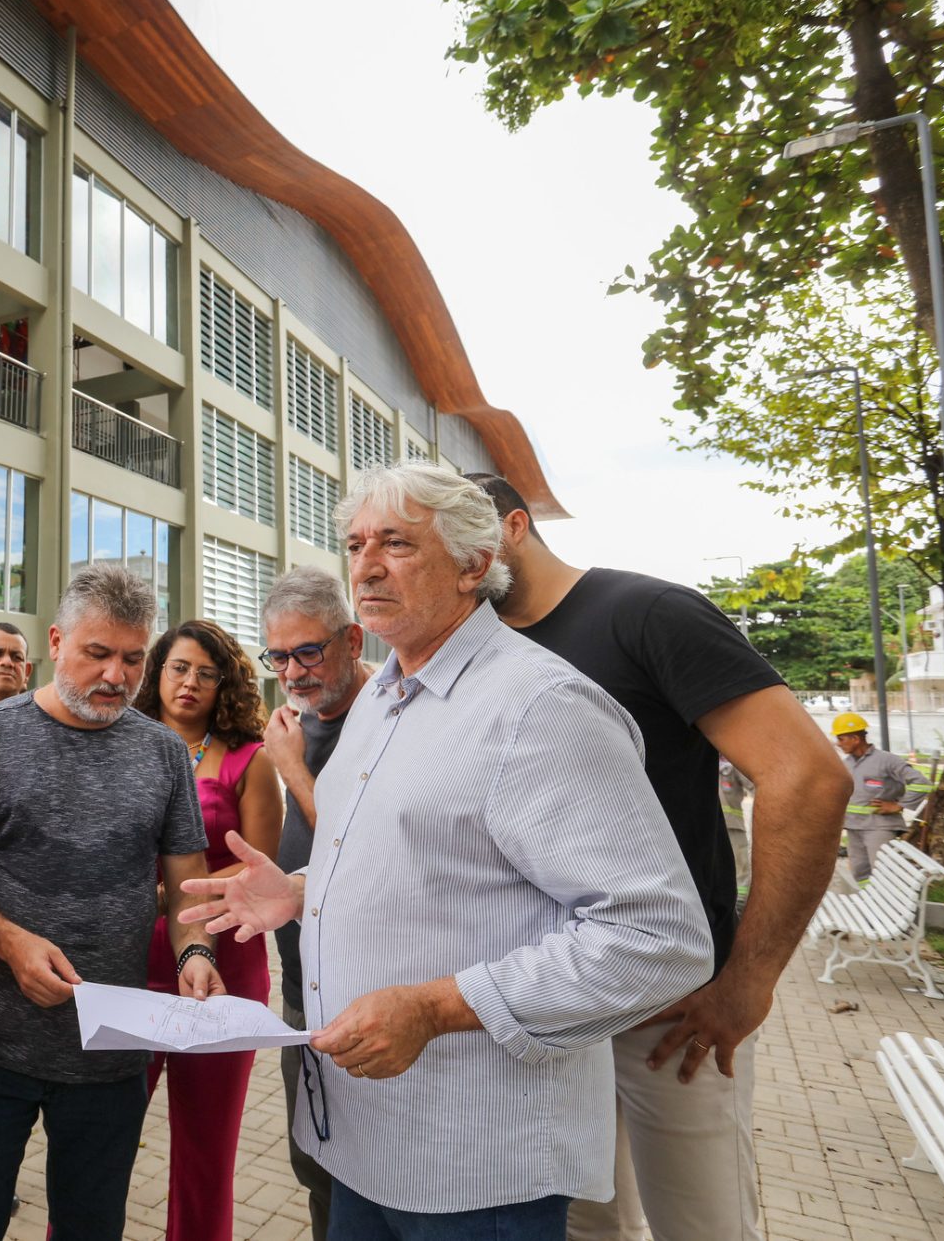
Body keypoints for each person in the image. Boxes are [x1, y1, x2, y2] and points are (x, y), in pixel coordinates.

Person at [184, 462, 713, 1239]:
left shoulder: (539, 706)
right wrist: (302, 888)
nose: (365, 563)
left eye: (396, 541)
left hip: (474, 1169)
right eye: (357, 542)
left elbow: (658, 939)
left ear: (474, 564)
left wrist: (436, 1007)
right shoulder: (384, 697)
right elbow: (420, 853)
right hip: (361, 1142)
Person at [469, 471, 850, 1241]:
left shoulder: (645, 612)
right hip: (549, 996)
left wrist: (750, 977)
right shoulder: (483, 651)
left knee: (703, 1227)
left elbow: (806, 777)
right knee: (582, 1226)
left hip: (673, 1005)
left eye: (458, 543)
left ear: (514, 526)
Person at [0, 565, 224, 1241]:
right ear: (56, 641)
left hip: (111, 1051)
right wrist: (10, 941)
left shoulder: (166, 755)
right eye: (98, 653)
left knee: (90, 1229)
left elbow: (189, 884)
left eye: (133, 658)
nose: (117, 675)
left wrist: (196, 950)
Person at [132, 619, 283, 1241]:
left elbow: (257, 874)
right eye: (177, 668)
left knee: (207, 1146)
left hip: (226, 963)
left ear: (226, 684)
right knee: (101, 1134)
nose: (189, 683)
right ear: (156, 673)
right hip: (129, 959)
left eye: (206, 672)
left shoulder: (252, 759)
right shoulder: (122, 743)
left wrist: (170, 893)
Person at [255, 566, 365, 1241]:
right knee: (314, 1165)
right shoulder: (300, 721)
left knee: (366, 1176)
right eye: (278, 655)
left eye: (308, 651)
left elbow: (363, 847)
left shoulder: (384, 713)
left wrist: (291, 767)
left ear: (351, 639)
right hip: (302, 990)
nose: (292, 671)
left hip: (367, 993)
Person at [834, 712, 928, 882]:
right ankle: (870, 906)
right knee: (859, 873)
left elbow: (921, 783)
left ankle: (893, 907)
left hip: (879, 827)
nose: (838, 744)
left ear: (855, 738)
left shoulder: (887, 761)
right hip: (854, 828)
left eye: (841, 739)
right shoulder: (846, 765)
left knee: (883, 874)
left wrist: (899, 805)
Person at [719, 756, 754, 891]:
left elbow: (755, 786)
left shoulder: (732, 767)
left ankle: (740, 906)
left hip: (733, 828)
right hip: (722, 829)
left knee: (740, 872)